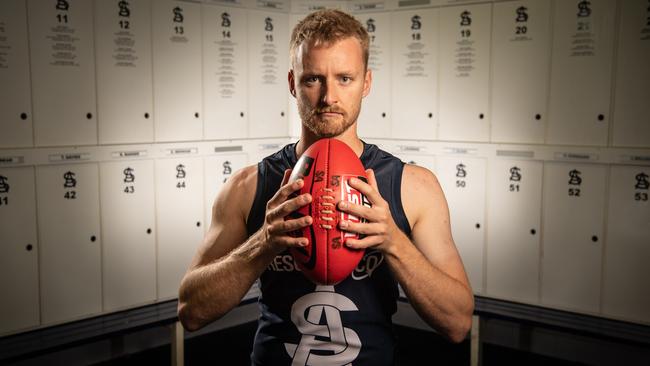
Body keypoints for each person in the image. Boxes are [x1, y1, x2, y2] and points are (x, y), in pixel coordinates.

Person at [178, 9, 474, 365]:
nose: (329, 96)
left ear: (366, 82)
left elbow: (457, 324)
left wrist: (393, 242)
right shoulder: (249, 186)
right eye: (313, 79)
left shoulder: (413, 186)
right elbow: (191, 311)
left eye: (345, 78)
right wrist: (264, 242)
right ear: (292, 83)